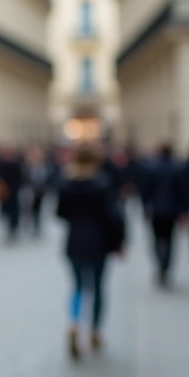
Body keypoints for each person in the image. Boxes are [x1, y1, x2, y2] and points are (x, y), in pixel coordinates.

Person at [56, 143, 124, 359]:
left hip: (74, 242)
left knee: (77, 286)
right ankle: (95, 331)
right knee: (98, 288)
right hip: (99, 242)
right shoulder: (102, 184)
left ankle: (74, 323)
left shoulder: (66, 184)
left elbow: (60, 213)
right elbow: (114, 216)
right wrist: (120, 242)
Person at [140, 144, 189, 287]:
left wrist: (144, 207)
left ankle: (160, 264)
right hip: (172, 212)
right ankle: (165, 267)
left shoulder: (150, 168)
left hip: (155, 211)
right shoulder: (178, 169)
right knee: (170, 240)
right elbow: (185, 193)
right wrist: (185, 212)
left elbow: (144, 191)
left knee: (156, 239)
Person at [0, 144, 25, 241]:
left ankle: (13, 227)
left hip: (14, 191)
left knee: (14, 211)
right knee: (6, 211)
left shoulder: (16, 164)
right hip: (4, 192)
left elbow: (21, 178)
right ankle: (9, 228)